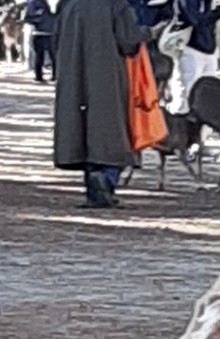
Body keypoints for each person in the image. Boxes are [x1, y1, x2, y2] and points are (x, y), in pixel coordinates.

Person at [53, 0, 142, 208]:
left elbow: (55, 39)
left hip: (74, 77)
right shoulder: (116, 4)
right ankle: (104, 182)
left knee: (81, 129)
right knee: (110, 130)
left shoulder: (68, 4)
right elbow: (128, 42)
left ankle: (93, 185)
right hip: (107, 76)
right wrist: (147, 33)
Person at [169, 0, 220, 113]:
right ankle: (182, 122)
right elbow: (196, 20)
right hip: (191, 47)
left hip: (208, 48)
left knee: (209, 93)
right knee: (188, 91)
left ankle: (205, 126)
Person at [24, 0, 55, 82]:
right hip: (39, 32)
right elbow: (28, 17)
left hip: (50, 32)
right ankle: (39, 76)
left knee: (53, 55)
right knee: (39, 56)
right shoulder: (33, 2)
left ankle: (54, 76)